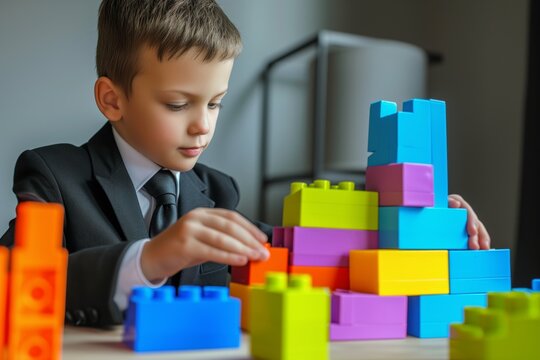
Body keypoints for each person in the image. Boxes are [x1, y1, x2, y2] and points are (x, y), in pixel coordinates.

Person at [0, 0, 490, 327]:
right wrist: (148, 259)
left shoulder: (218, 192)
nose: (202, 126)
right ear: (112, 100)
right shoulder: (54, 176)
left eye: (214, 103)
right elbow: (10, 284)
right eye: (178, 104)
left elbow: (305, 255)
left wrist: (418, 229)